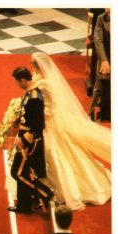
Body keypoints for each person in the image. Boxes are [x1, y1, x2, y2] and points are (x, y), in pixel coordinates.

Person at [30, 52, 111, 211]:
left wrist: (40, 116)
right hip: (51, 121)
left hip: (50, 122)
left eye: (34, 66)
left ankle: (62, 189)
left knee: (56, 153)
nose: (32, 69)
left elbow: (50, 106)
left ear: (39, 66)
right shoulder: (41, 80)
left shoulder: (45, 84)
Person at [7, 66, 54, 214]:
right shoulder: (30, 93)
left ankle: (45, 194)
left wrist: (24, 140)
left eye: (16, 82)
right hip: (25, 136)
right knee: (24, 171)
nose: (16, 85)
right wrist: (18, 120)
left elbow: (38, 125)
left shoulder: (34, 98)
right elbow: (29, 115)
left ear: (22, 80)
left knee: (18, 173)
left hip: (30, 142)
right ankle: (24, 205)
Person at [93, 8, 111, 122]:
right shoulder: (101, 18)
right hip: (107, 56)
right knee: (101, 76)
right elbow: (98, 41)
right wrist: (104, 60)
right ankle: (94, 111)